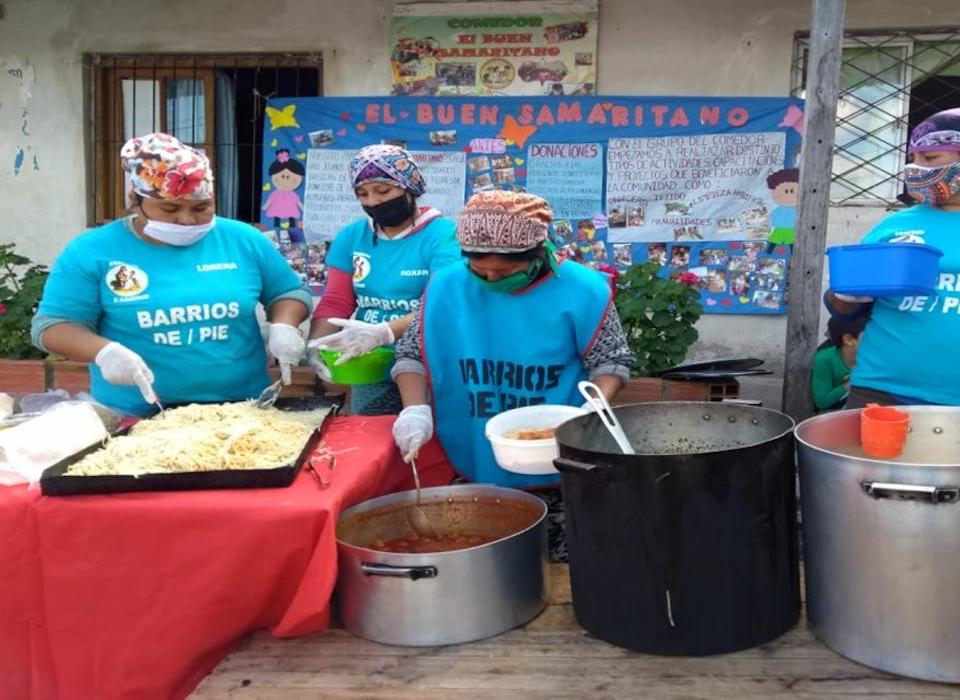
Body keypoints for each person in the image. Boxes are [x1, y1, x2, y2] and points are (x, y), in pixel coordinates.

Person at [390, 191, 635, 561]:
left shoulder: (581, 289)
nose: (489, 280)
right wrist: (414, 411)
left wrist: (588, 412)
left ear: (538, 253)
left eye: (504, 273)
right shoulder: (446, 286)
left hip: (557, 457)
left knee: (564, 566)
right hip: (473, 447)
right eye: (479, 270)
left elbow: (611, 360)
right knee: (487, 561)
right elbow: (412, 353)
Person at [31, 132, 311, 417]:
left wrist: (284, 325)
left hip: (242, 411)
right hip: (136, 415)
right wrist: (104, 352)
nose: (187, 219)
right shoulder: (92, 251)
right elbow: (53, 326)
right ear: (135, 200)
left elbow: (287, 292)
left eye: (201, 208)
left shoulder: (243, 240)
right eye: (170, 208)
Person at [307, 144, 461, 414]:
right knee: (373, 439)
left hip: (430, 362)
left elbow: (440, 307)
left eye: (383, 191)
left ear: (409, 187)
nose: (373, 202)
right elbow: (335, 301)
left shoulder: (444, 236)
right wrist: (315, 346)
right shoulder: (352, 237)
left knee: (428, 437)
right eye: (362, 194)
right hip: (368, 362)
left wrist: (384, 332)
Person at [825, 108, 960, 407]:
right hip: (881, 389)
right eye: (913, 159)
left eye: (930, 158)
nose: (915, 169)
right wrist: (847, 292)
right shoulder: (895, 226)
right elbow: (845, 308)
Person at [812, 316, 867, 412]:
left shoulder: (875, 357)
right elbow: (822, 402)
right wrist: (853, 382)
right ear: (848, 340)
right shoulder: (825, 359)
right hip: (834, 412)